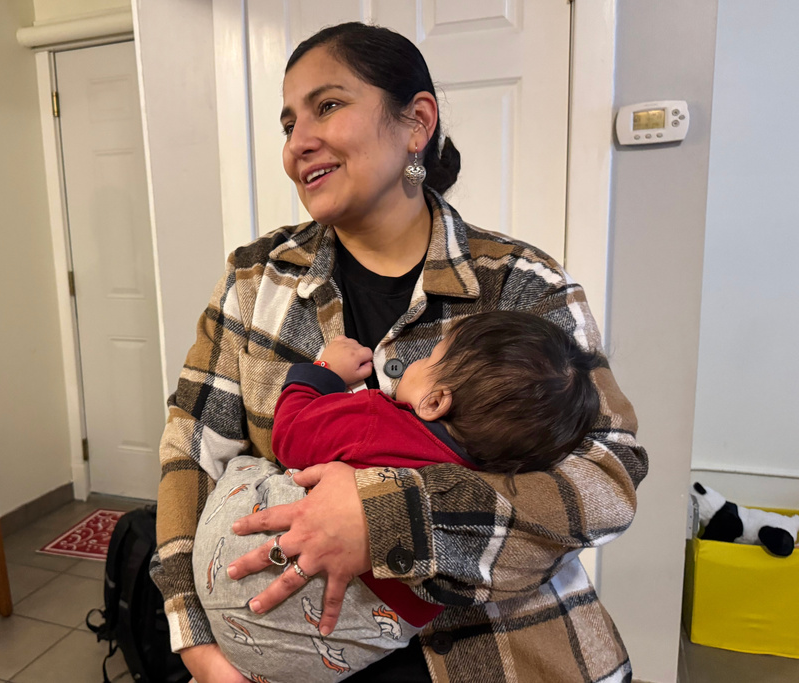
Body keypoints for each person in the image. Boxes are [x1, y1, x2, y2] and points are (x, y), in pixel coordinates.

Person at [150, 21, 647, 683]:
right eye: (287, 122)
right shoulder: (254, 280)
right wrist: (197, 646)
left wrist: (391, 515)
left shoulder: (522, 283)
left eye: (327, 106)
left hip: (506, 655)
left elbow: (609, 475)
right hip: (286, 658)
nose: (299, 142)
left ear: (415, 123)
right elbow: (190, 455)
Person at [193, 311, 603, 682]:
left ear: (436, 402)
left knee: (247, 465)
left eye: (428, 358)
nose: (413, 363)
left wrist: (321, 374)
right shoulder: (499, 484)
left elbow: (291, 437)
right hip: (320, 660)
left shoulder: (376, 420)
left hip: (235, 584)